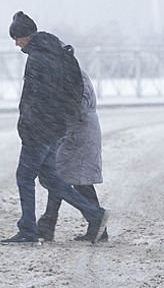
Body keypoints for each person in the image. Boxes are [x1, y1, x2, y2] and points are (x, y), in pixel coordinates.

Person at [0, 11, 109, 245]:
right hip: (54, 127)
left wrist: (28, 125)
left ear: (25, 36)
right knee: (52, 178)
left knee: (24, 177)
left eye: (16, 38)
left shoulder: (38, 59)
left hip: (40, 128)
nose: (16, 44)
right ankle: (93, 214)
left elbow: (38, 97)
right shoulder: (55, 54)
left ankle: (29, 229)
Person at [36, 64, 109, 242]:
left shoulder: (70, 71)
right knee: (62, 175)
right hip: (75, 130)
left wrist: (58, 114)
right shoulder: (67, 70)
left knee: (77, 178)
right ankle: (49, 223)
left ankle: (96, 221)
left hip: (78, 131)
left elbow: (79, 103)